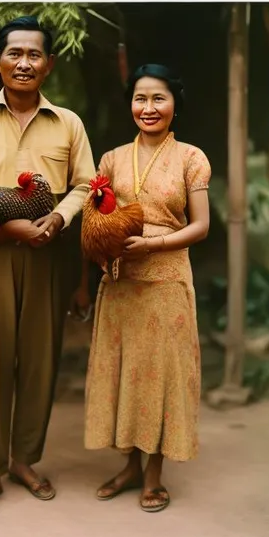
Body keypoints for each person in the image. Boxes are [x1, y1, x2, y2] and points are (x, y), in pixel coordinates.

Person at [0, 16, 96, 519]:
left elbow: (85, 185)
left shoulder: (69, 123)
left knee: (40, 363)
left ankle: (25, 460)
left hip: (49, 255)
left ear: (49, 64)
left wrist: (57, 217)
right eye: (15, 54)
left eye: (34, 55)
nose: (24, 63)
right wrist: (4, 227)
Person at [73, 63, 211, 513]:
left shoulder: (192, 157)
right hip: (121, 282)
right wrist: (95, 259)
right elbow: (96, 218)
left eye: (158, 98)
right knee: (127, 374)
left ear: (175, 103)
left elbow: (202, 226)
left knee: (162, 377)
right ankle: (129, 466)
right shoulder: (112, 159)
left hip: (167, 281)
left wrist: (155, 243)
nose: (148, 108)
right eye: (140, 98)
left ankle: (154, 475)